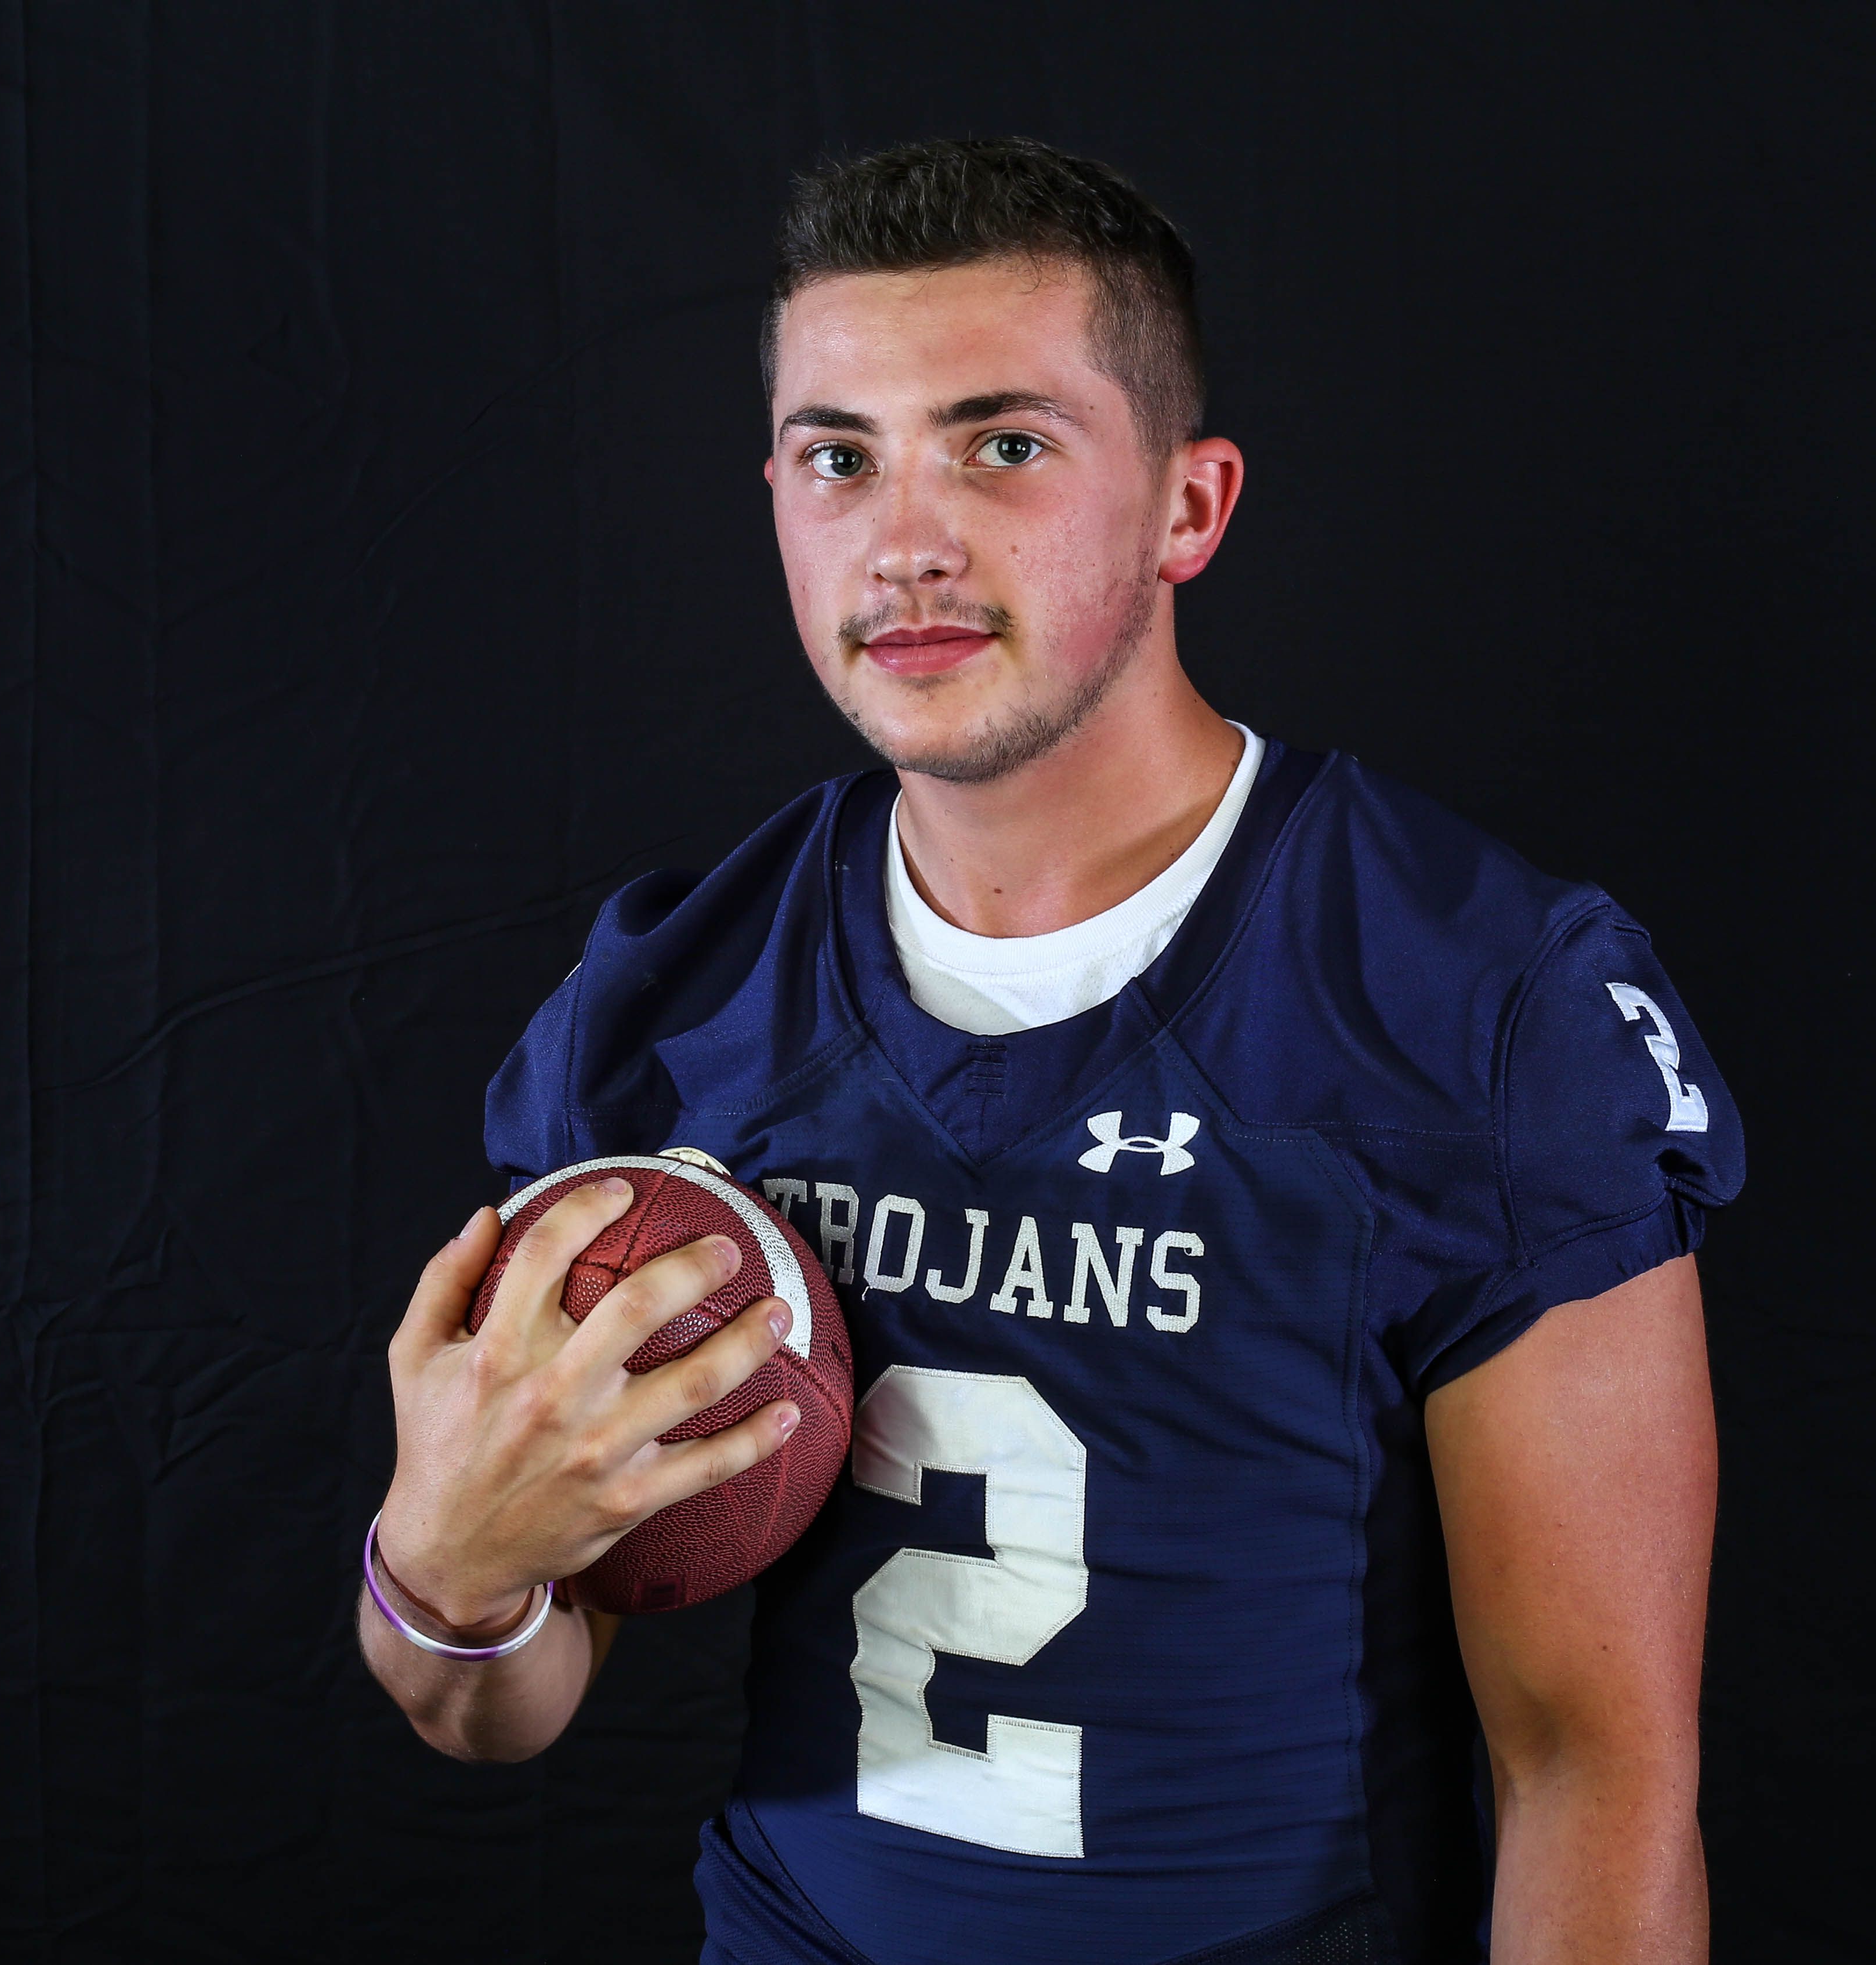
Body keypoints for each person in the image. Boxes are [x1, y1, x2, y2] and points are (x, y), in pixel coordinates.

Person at [359, 137, 1740, 1965]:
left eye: (1003, 445)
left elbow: (1594, 1764)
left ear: (1190, 506)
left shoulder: (1475, 1000)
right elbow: (498, 1698)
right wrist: (448, 1569)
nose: (907, 537)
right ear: (776, 494)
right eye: (841, 458)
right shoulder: (684, 1001)